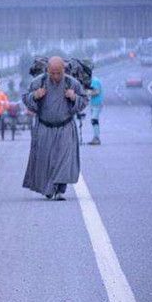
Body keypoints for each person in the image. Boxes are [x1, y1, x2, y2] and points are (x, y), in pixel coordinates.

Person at [22, 56, 89, 200]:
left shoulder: (72, 83)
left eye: (59, 72)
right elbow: (26, 99)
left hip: (65, 127)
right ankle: (48, 188)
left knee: (64, 160)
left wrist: (74, 98)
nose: (56, 76)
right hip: (44, 127)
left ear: (64, 70)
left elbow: (84, 101)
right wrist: (35, 96)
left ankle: (59, 190)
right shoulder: (38, 82)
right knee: (44, 160)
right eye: (52, 72)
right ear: (47, 70)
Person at [87, 76, 103, 145]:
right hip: (93, 103)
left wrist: (87, 92)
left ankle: (97, 138)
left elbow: (97, 91)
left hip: (97, 103)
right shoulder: (93, 80)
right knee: (94, 120)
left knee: (94, 120)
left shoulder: (94, 81)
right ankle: (96, 137)